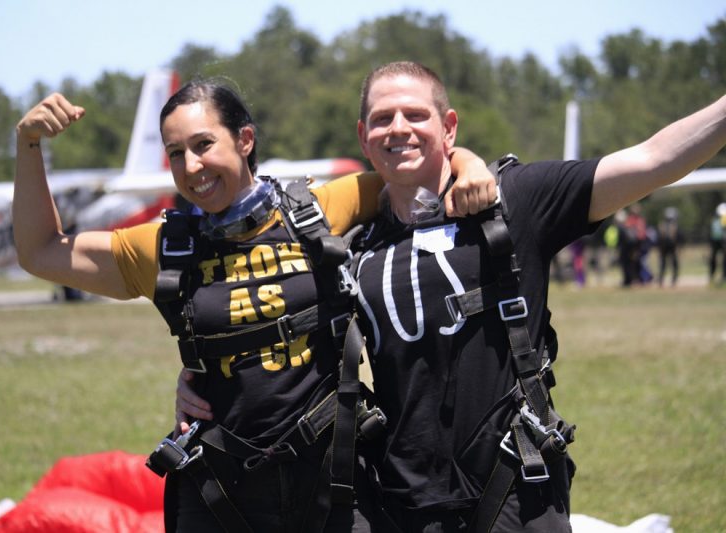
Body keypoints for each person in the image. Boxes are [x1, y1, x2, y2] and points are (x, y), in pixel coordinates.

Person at [180, 61, 726, 532]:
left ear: (448, 127)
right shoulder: (347, 243)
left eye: (416, 115)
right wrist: (196, 378)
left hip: (516, 486)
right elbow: (268, 322)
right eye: (382, 119)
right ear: (363, 136)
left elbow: (655, 160)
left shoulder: (518, 201)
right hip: (400, 501)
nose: (399, 128)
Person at [12, 79, 496, 533]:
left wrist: (470, 164)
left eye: (204, 145)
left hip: (334, 482)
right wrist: (29, 145)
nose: (192, 167)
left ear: (245, 139)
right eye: (176, 153)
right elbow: (41, 251)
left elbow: (414, 167)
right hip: (219, 491)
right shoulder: (164, 247)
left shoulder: (319, 211)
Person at [656, 206, 681, 287]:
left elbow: (659, 238)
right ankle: (673, 280)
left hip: (664, 248)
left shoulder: (662, 225)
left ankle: (661, 280)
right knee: (673, 264)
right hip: (671, 247)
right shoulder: (674, 225)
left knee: (664, 264)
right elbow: (678, 238)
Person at [708, 202, 726, 284]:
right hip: (716, 241)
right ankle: (712, 276)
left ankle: (722, 277)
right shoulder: (715, 221)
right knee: (713, 259)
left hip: (720, 241)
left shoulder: (718, 219)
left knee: (723, 260)